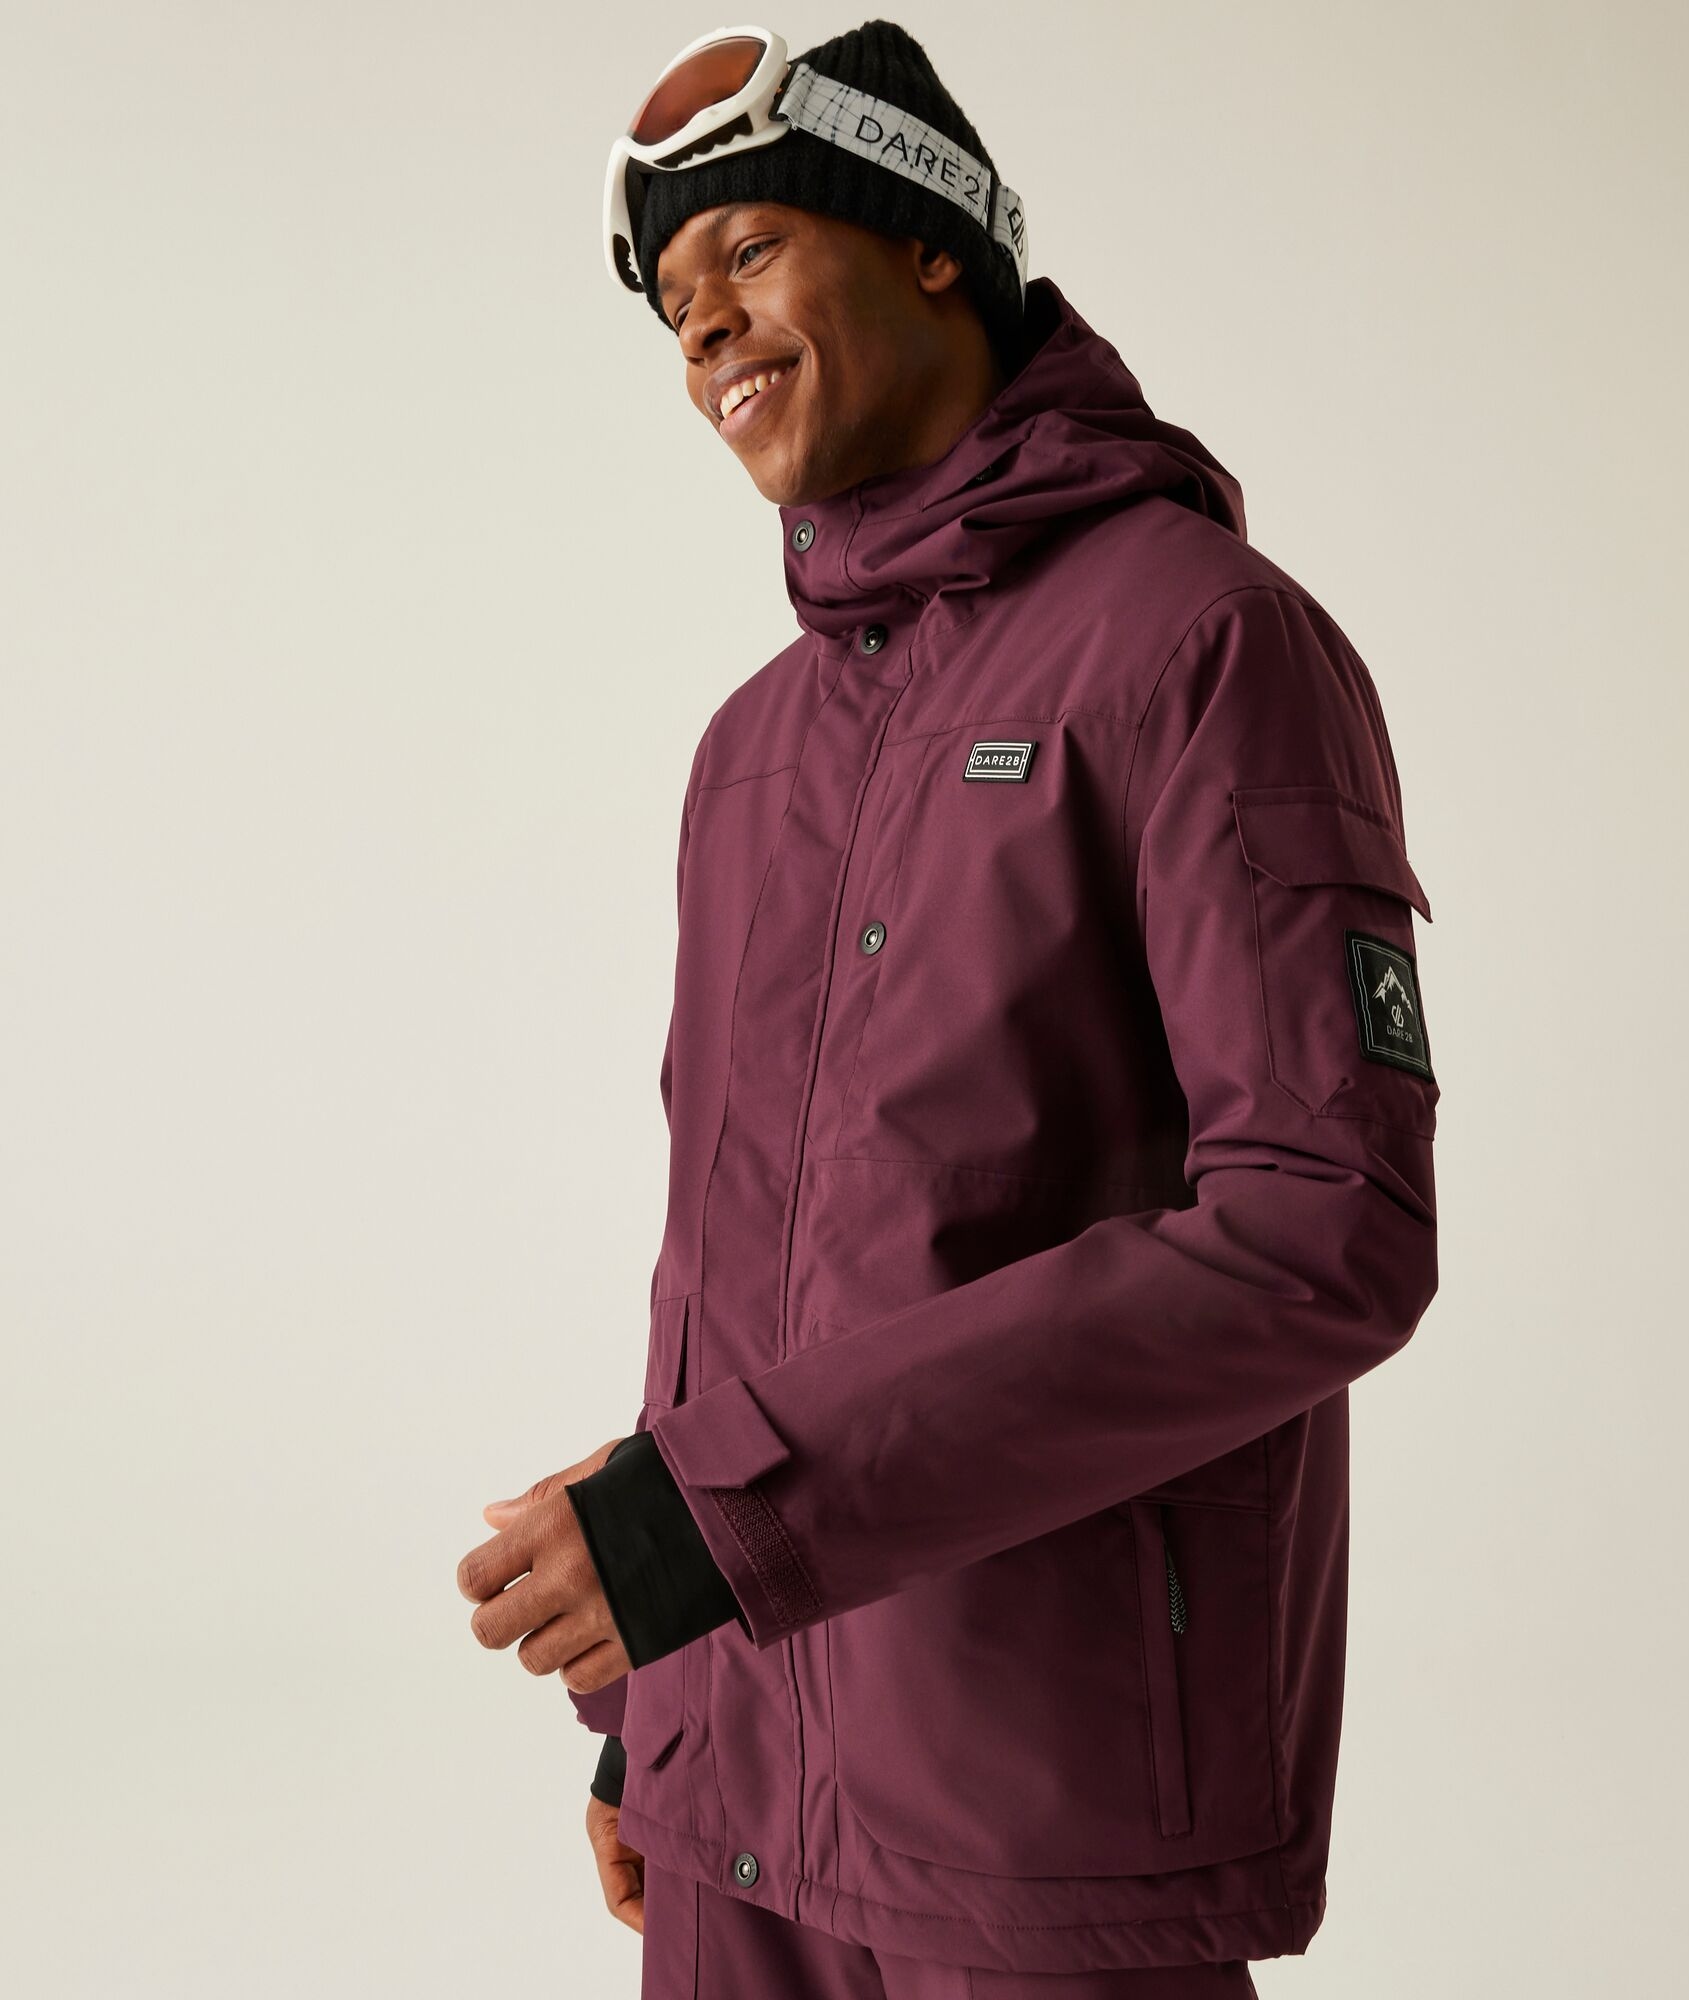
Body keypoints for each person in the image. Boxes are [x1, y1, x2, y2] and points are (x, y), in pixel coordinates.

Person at [456, 19, 1441, 1997]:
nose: (700, 330)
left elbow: (1321, 1235)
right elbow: (732, 1267)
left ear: (932, 243)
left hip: (1029, 1804)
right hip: (734, 1793)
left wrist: (713, 1523)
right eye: (669, 300)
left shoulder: (1204, 644)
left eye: (746, 248)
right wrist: (652, 1707)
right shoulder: (750, 749)